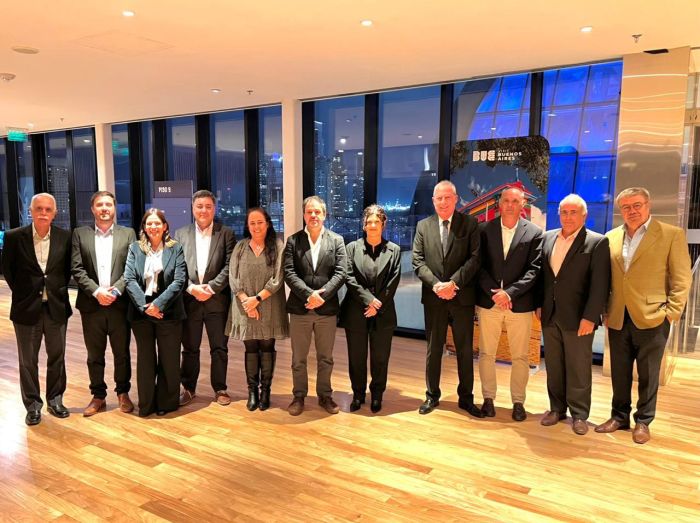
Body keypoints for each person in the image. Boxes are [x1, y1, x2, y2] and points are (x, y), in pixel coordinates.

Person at [596, 187, 691, 444]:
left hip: (654, 317)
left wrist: (671, 312)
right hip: (618, 316)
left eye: (637, 205)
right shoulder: (611, 237)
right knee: (620, 372)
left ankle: (643, 421)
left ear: (648, 205)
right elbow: (606, 279)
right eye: (626, 207)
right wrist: (605, 310)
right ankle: (619, 417)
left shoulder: (671, 234)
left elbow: (682, 279)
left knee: (648, 374)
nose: (632, 211)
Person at [537, 194, 610, 435]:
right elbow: (543, 278)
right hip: (550, 315)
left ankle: (579, 414)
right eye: (564, 212)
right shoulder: (547, 238)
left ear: (584, 215)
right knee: (554, 366)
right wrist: (539, 304)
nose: (568, 217)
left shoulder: (597, 242)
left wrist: (590, 317)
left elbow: (600, 285)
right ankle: (556, 409)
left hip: (580, 318)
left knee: (579, 368)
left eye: (573, 212)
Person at [412, 180, 483, 417]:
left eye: (447, 197)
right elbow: (417, 261)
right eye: (439, 198)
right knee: (433, 349)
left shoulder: (470, 223)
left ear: (456, 199)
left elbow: (475, 258)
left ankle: (466, 398)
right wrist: (436, 285)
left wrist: (453, 283)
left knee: (464, 350)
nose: (443, 202)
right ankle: (432, 395)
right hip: (434, 299)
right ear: (433, 201)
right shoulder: (423, 226)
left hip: (461, 297)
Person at [2, 193, 72, 426]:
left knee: (57, 356)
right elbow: (8, 270)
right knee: (27, 361)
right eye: (39, 208)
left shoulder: (65, 237)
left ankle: (55, 400)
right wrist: (26, 293)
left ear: (55, 213)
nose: (43, 213)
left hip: (56, 307)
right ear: (30, 211)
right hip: (25, 309)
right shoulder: (14, 237)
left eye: (48, 209)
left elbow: (66, 271)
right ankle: (32, 405)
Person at [476, 186, 542, 421]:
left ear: (523, 204)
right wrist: (494, 293)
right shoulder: (484, 230)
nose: (510, 205)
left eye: (515, 201)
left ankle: (518, 402)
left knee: (520, 356)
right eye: (506, 200)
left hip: (519, 304)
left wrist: (510, 294)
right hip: (489, 302)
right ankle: (488, 399)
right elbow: (478, 265)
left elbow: (535, 270)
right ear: (499, 204)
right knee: (486, 353)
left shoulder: (534, 232)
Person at [72, 190, 137, 416]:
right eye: (99, 205)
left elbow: (132, 268)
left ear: (114, 207)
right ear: (93, 209)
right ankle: (98, 395)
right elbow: (77, 269)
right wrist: (97, 291)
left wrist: (116, 290)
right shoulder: (80, 234)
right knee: (94, 355)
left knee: (122, 353)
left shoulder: (128, 234)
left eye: (108, 204)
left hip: (119, 305)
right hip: (91, 306)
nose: (104, 208)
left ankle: (123, 393)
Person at [283, 195, 346, 416]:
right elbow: (289, 272)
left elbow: (341, 273)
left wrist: (322, 295)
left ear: (324, 215)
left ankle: (325, 395)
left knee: (325, 357)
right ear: (304, 215)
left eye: (317, 212)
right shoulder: (293, 241)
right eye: (309, 212)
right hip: (300, 309)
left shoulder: (336, 240)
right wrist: (308, 294)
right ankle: (299, 396)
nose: (313, 215)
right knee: (298, 358)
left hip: (326, 310)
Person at [175, 190, 236, 407]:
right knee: (190, 348)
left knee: (219, 348)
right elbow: (176, 267)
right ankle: (188, 388)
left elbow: (230, 266)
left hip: (216, 300)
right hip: (189, 300)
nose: (204, 210)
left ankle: (220, 388)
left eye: (208, 206)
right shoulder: (180, 234)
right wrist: (192, 288)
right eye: (199, 206)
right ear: (193, 208)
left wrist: (210, 288)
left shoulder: (226, 233)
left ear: (214, 209)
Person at [124, 209, 187, 417]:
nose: (153, 227)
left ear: (165, 226)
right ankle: (147, 404)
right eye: (149, 223)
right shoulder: (135, 248)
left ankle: (166, 403)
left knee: (169, 359)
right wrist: (146, 307)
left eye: (157, 223)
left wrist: (158, 305)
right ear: (144, 227)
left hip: (169, 311)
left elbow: (179, 281)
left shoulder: (175, 248)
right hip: (141, 312)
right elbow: (129, 279)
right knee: (146, 360)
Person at [340, 205, 401, 414]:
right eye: (369, 222)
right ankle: (358, 394)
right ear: (364, 225)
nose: (372, 225)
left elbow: (393, 282)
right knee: (356, 357)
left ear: (383, 224)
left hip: (383, 312)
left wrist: (377, 304)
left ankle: (377, 395)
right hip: (356, 311)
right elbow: (349, 277)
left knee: (380, 358)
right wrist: (369, 300)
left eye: (376, 221)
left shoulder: (394, 250)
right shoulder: (351, 248)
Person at [229, 207, 288, 411]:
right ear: (248, 226)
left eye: (260, 222)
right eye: (252, 223)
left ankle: (266, 391)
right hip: (244, 306)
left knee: (267, 347)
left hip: (269, 305)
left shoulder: (277, 246)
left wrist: (257, 299)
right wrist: (247, 301)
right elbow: (233, 277)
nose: (256, 226)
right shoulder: (240, 247)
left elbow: (278, 278)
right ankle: (252, 391)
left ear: (268, 224)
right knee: (251, 348)